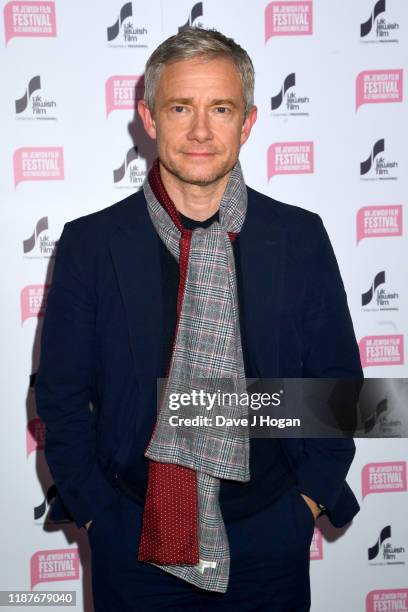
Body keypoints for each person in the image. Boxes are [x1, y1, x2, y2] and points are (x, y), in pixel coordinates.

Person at [35, 27, 363, 611]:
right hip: (133, 539)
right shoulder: (92, 244)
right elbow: (60, 396)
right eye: (181, 108)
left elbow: (338, 386)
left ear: (249, 122)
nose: (202, 131)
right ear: (149, 117)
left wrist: (306, 503)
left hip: (270, 538)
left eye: (221, 108)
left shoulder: (298, 237)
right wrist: (96, 516)